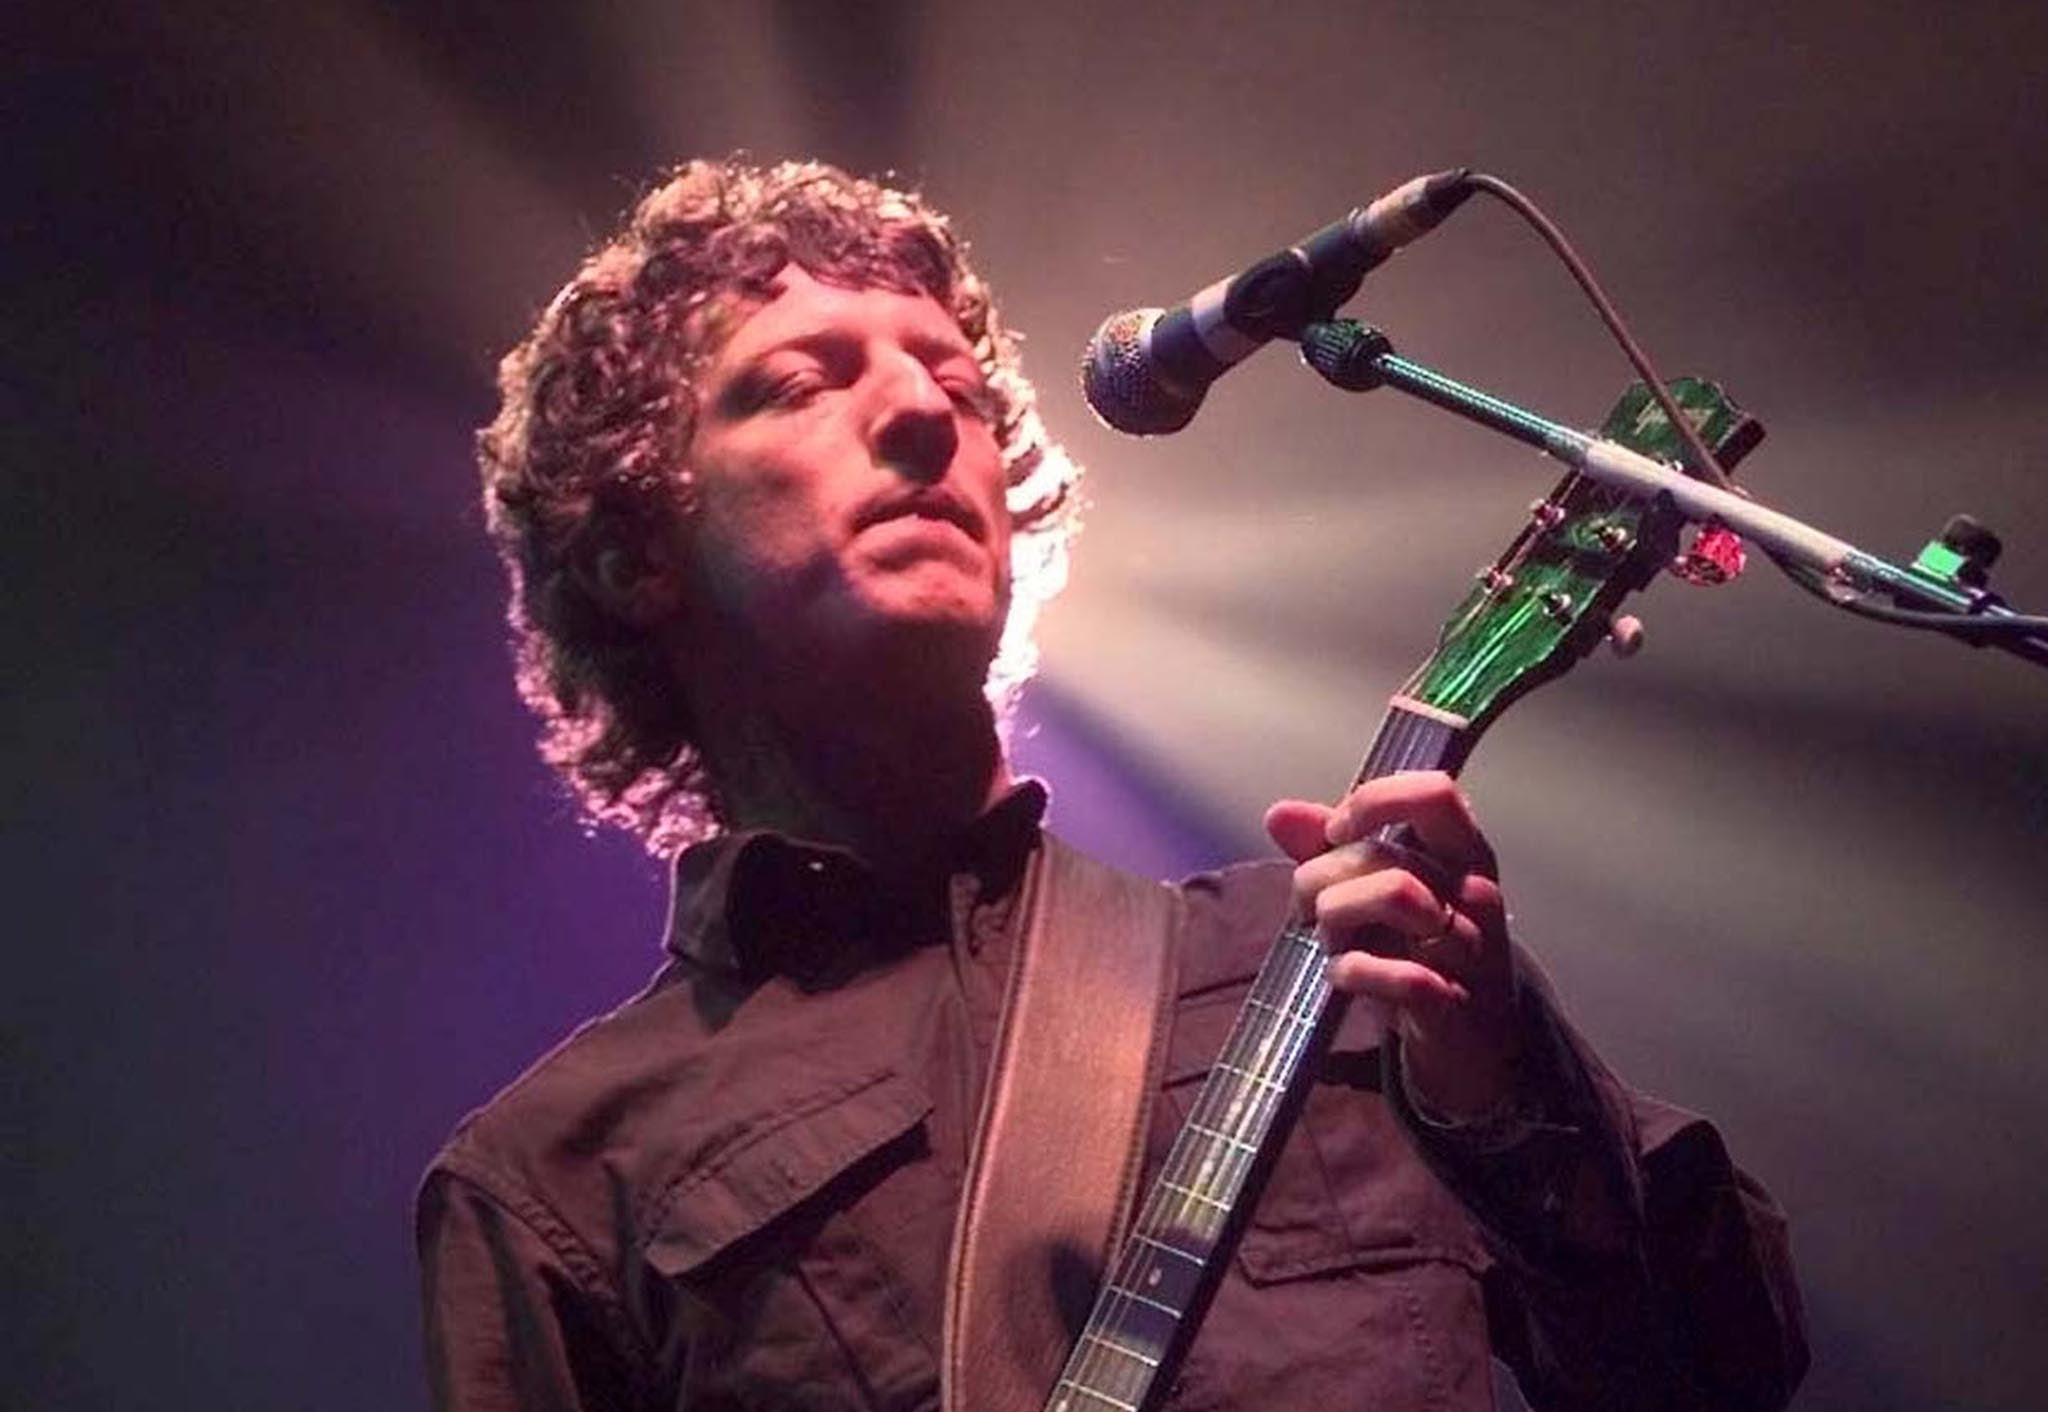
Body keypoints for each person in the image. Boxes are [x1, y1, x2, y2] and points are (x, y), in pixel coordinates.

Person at [417, 158, 1807, 1411]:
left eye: (956, 386)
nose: (916, 412)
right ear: (631, 550)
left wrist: (1504, 1090)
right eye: (800, 383)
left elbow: (1719, 1372)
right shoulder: (552, 1179)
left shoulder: (1335, 959)